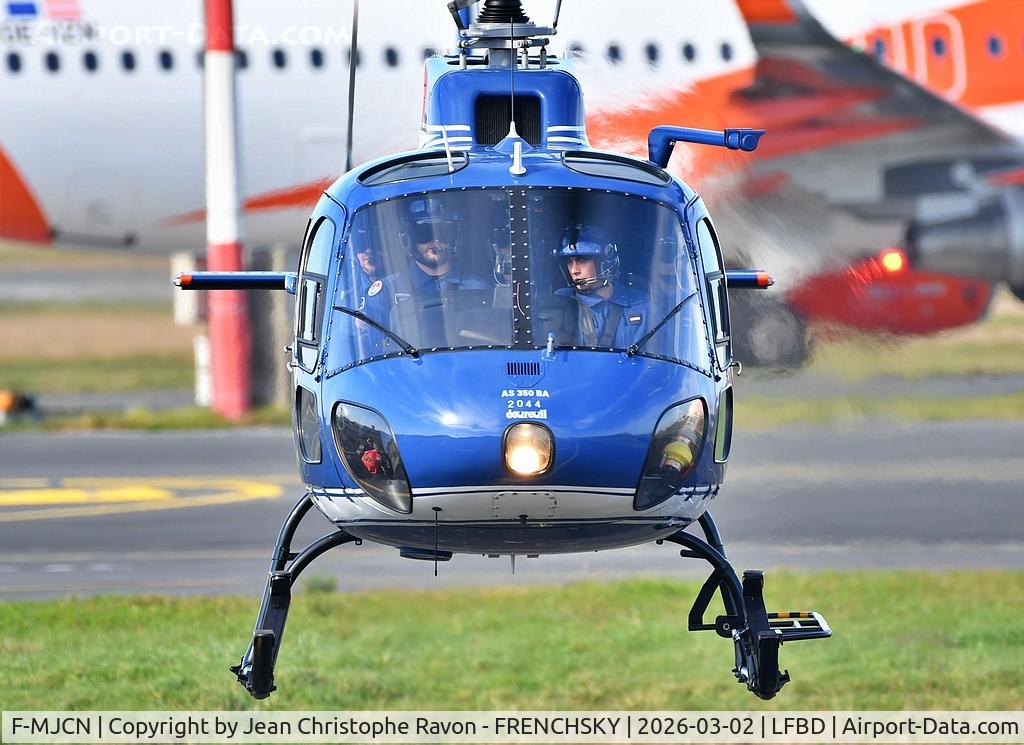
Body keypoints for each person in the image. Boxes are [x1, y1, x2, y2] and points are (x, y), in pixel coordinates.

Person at [359, 198, 488, 346]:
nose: (436, 241)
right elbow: (375, 351)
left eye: (444, 232)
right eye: (424, 233)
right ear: (408, 239)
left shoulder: (478, 287)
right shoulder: (386, 291)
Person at [554, 223, 649, 348]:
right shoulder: (560, 303)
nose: (574, 270)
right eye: (569, 262)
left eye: (581, 261)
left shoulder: (643, 305)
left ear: (604, 263)